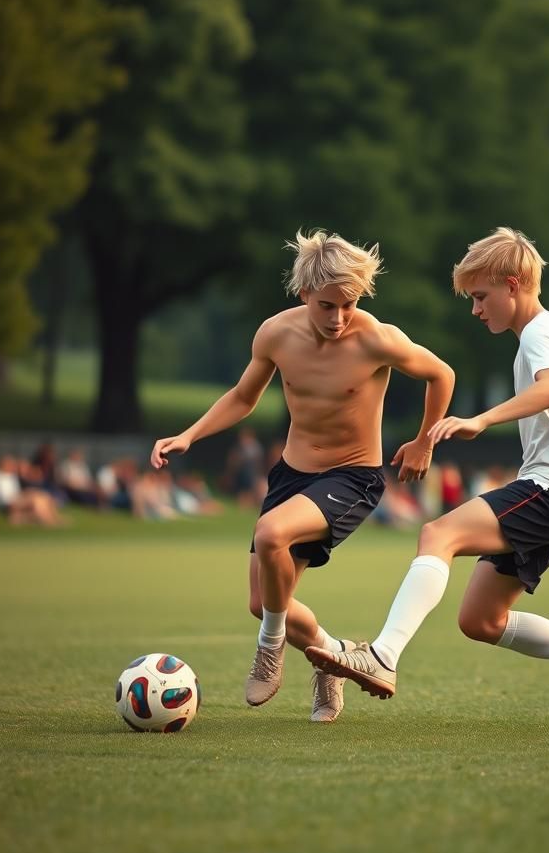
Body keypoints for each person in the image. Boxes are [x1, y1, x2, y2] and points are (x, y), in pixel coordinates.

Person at [307, 227, 549, 730]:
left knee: (436, 534)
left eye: (481, 297)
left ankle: (382, 655)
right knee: (480, 621)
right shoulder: (543, 331)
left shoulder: (539, 333)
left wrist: (481, 419)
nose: (476, 309)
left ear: (513, 284)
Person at [150, 230, 455, 723]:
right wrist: (191, 435)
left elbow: (442, 374)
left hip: (353, 476)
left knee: (269, 533)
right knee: (264, 601)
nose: (338, 318)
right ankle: (333, 658)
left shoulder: (377, 337)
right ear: (303, 295)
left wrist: (424, 442)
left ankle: (270, 651)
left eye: (348, 305)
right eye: (327, 306)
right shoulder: (275, 334)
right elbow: (243, 397)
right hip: (292, 476)